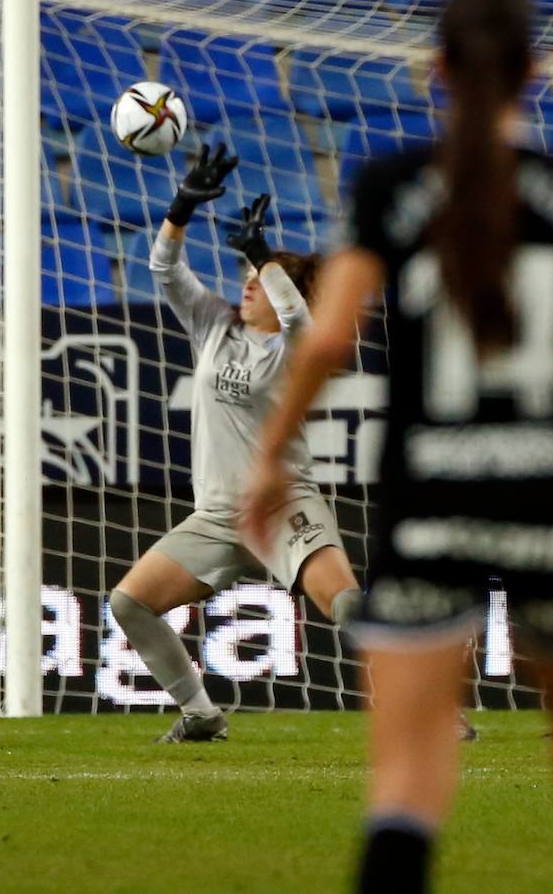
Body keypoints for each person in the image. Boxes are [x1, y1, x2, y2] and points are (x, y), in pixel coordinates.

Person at [242, 0, 553, 892]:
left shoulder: (391, 184)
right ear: (538, 72)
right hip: (550, 502)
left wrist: (270, 455)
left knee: (406, 779)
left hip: (426, 502)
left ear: (435, 72)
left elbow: (325, 339)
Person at [109, 148, 363, 744]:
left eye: (259, 283)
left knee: (346, 605)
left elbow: (301, 318)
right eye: (245, 280)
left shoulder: (296, 346)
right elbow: (164, 269)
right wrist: (182, 206)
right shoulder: (215, 327)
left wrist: (261, 254)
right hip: (217, 517)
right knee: (129, 604)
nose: (247, 289)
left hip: (280, 507)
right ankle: (200, 714)